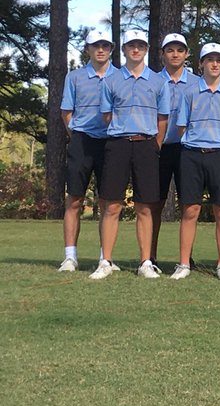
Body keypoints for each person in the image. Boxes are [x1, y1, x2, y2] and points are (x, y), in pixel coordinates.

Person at [91, 29, 171, 280]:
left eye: (140, 46)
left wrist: (154, 145)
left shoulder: (159, 81)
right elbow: (106, 115)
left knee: (145, 206)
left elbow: (163, 119)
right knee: (112, 205)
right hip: (118, 144)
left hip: (146, 145)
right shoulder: (111, 81)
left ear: (146, 50)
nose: (135, 50)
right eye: (131, 46)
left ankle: (145, 261)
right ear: (124, 49)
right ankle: (106, 260)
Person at [171, 43, 220, 281]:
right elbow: (181, 127)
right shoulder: (189, 92)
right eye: (209, 59)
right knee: (190, 210)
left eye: (219, 60)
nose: (214, 64)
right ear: (200, 63)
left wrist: (217, 142)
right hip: (192, 154)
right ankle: (183, 264)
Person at [60, 29, 113, 272]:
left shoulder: (120, 77)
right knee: (75, 199)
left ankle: (105, 258)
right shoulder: (75, 77)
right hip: (82, 141)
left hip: (111, 142)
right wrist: (79, 135)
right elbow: (66, 113)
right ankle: (70, 256)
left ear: (111, 49)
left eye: (105, 45)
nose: (100, 49)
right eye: (95, 45)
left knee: (108, 203)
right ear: (88, 49)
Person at [149, 33, 195, 273]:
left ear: (186, 54)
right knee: (154, 203)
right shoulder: (153, 81)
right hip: (160, 148)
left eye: (180, 50)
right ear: (163, 54)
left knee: (189, 205)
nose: (175, 54)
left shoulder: (198, 82)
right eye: (170, 50)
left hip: (189, 150)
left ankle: (187, 258)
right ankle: (150, 256)